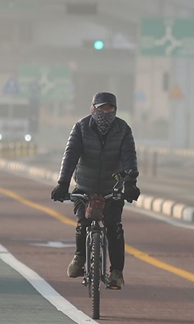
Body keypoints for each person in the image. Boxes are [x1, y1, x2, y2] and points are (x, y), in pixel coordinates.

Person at [50, 92, 140, 289]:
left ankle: (116, 272)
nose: (105, 113)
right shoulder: (81, 128)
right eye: (101, 108)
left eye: (110, 109)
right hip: (85, 186)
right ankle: (80, 258)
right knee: (83, 222)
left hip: (112, 187)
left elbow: (129, 158)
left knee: (114, 227)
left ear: (115, 110)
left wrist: (130, 182)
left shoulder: (123, 129)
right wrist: (63, 184)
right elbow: (70, 156)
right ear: (93, 109)